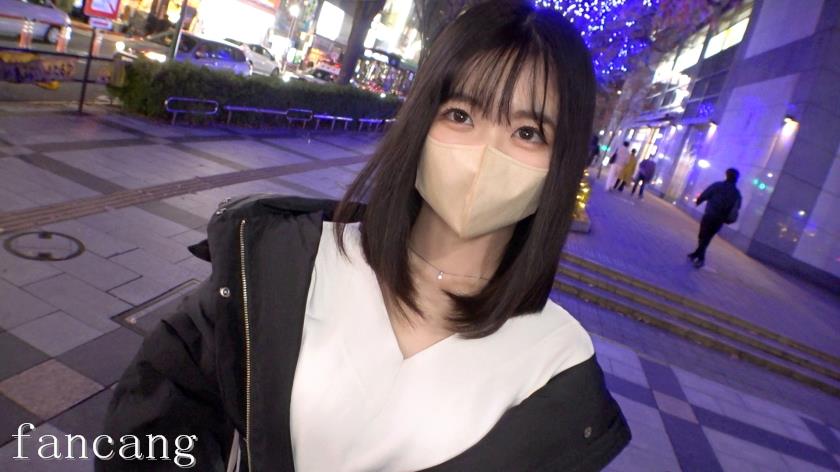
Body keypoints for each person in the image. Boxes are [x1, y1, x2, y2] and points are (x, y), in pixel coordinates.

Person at [99, 2, 630, 471]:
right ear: (420, 122)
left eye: (527, 132)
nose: (485, 154)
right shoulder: (291, 260)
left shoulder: (557, 366)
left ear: (563, 161)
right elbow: (156, 416)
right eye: (461, 115)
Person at [687, 168, 742, 268]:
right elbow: (737, 206)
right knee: (707, 237)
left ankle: (701, 258)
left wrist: (699, 201)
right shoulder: (736, 192)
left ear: (727, 175)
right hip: (720, 219)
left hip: (710, 215)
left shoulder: (718, 185)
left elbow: (707, 193)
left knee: (703, 235)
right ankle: (697, 253)